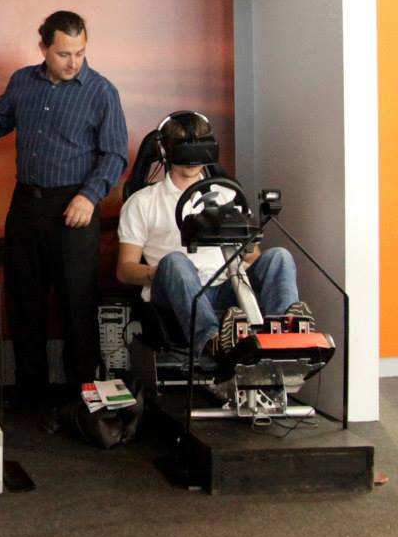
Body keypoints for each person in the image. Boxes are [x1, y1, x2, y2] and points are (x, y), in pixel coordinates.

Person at [0, 11, 128, 400]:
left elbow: (116, 154)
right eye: (64, 54)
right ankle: (30, 395)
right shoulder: (23, 82)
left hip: (75, 206)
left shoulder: (101, 92)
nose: (73, 62)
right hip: (26, 206)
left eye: (80, 53)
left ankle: (81, 400)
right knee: (24, 302)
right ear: (43, 48)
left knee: (77, 306)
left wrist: (89, 195)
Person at [116, 111, 309, 358]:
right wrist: (159, 272)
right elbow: (124, 270)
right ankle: (212, 342)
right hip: (175, 293)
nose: (192, 158)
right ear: (165, 151)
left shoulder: (228, 195)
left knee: (279, 257)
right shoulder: (142, 202)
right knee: (175, 261)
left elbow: (252, 258)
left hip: (228, 287)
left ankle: (283, 338)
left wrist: (246, 245)